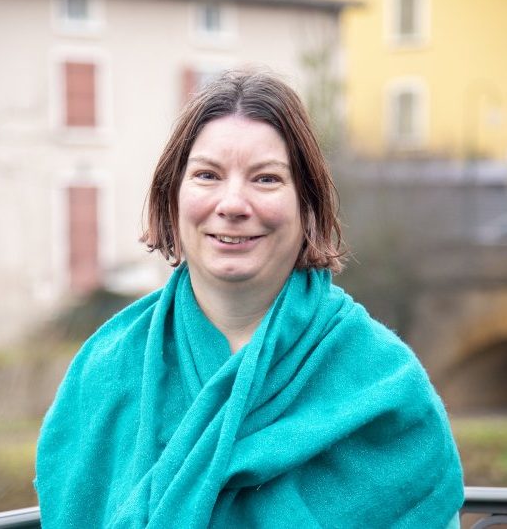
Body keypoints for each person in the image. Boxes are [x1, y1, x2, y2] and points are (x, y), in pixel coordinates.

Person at [36, 70, 464, 528]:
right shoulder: (105, 372)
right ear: (172, 196)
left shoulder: (385, 385)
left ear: (307, 205)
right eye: (207, 175)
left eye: (265, 179)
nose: (233, 204)